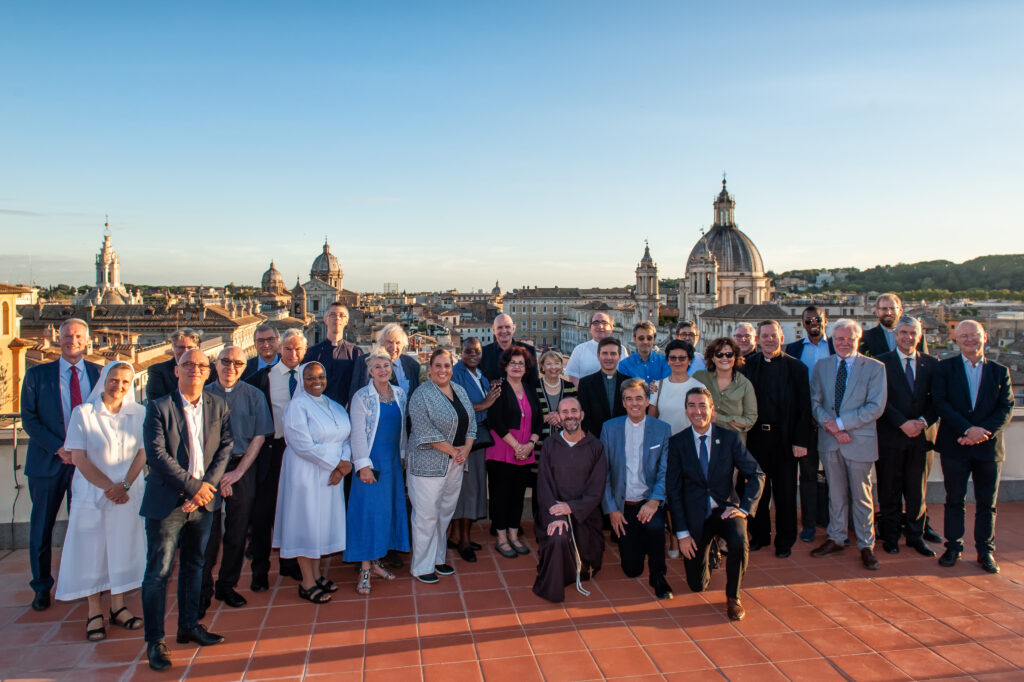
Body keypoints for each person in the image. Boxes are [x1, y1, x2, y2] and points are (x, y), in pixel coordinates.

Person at [140, 349, 232, 671]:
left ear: (208, 373)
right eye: (188, 364)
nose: (195, 369)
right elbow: (156, 455)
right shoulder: (158, 407)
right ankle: (155, 641)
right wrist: (195, 488)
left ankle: (188, 626)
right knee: (158, 573)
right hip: (169, 502)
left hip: (203, 503)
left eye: (201, 365)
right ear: (176, 370)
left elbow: (226, 447)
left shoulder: (217, 405)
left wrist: (206, 488)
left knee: (195, 565)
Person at [55, 361, 145, 641]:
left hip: (128, 493)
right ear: (104, 380)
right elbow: (79, 458)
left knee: (123, 548)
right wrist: (110, 488)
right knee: (91, 551)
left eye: (125, 382)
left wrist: (125, 485)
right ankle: (94, 610)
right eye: (114, 380)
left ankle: (119, 606)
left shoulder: (139, 412)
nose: (119, 386)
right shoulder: (83, 413)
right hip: (93, 495)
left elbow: (143, 453)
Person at [20, 318, 101, 611]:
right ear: (59, 338)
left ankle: (87, 583)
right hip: (47, 463)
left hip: (86, 465)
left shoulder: (99, 373)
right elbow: (29, 419)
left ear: (87, 340)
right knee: (42, 526)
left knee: (88, 525)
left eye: (78, 336)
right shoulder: (37, 375)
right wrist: (60, 448)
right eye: (67, 336)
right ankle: (41, 587)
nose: (73, 341)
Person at [666, 387, 764, 621]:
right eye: (692, 406)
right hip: (695, 516)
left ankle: (733, 596)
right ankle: (710, 554)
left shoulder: (729, 439)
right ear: (686, 410)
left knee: (739, 540)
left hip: (725, 510)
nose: (697, 411)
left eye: (702, 406)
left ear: (712, 409)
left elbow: (756, 473)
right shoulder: (677, 443)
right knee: (697, 585)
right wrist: (681, 533)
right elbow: (674, 490)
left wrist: (743, 509)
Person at [933, 320, 1013, 574]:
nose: (970, 340)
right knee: (954, 499)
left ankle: (984, 551)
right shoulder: (945, 368)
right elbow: (940, 403)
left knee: (986, 503)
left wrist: (981, 434)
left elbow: (1006, 408)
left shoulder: (1000, 372)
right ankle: (953, 548)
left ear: (985, 337)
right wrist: (968, 430)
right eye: (964, 335)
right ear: (955, 339)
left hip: (988, 449)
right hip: (956, 445)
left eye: (974, 335)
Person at [199, 346, 274, 614]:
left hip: (242, 469)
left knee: (238, 531)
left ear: (244, 366)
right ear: (215, 365)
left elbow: (259, 437)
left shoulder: (254, 395)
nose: (231, 367)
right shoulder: (202, 395)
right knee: (207, 535)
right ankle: (202, 590)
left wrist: (238, 472)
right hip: (208, 474)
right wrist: (216, 475)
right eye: (226, 362)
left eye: (238, 363)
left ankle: (226, 585)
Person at [809, 320, 887, 571]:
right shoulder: (823, 366)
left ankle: (866, 545)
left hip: (858, 440)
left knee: (862, 495)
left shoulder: (875, 368)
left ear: (858, 339)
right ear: (832, 340)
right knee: (836, 493)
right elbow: (815, 400)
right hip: (830, 440)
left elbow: (876, 406)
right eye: (839, 338)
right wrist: (830, 426)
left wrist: (841, 424)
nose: (844, 343)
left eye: (849, 338)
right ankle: (836, 537)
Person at [273, 362, 352, 603]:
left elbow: (346, 437)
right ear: (301, 379)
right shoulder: (296, 407)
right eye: (309, 377)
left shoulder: (334, 405)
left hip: (330, 474)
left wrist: (345, 464)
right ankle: (306, 583)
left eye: (320, 376)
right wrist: (338, 464)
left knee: (320, 525)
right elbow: (302, 445)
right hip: (306, 475)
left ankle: (317, 575)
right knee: (305, 525)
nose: (316, 381)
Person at [739, 321, 811, 557]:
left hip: (786, 439)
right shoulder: (747, 366)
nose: (769, 340)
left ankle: (785, 540)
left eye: (773, 335)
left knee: (786, 492)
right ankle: (760, 535)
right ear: (757, 339)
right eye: (764, 336)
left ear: (782, 337)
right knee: (758, 491)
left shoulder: (797, 368)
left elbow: (804, 408)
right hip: (756, 438)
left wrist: (801, 441)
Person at [407, 349, 477, 584]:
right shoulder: (421, 395)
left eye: (447, 365)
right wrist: (454, 451)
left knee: (444, 513)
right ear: (429, 369)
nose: (442, 370)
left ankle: (438, 559)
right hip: (428, 465)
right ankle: (421, 566)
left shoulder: (459, 390)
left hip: (456, 463)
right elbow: (425, 430)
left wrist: (466, 449)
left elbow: (471, 423)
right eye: (438, 365)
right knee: (426, 516)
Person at [601, 379, 674, 599]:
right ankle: (637, 541)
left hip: (649, 500)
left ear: (648, 400)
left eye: (639, 398)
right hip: (623, 504)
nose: (635, 403)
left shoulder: (662, 429)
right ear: (623, 402)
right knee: (631, 569)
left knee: (655, 529)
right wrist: (612, 509)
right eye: (629, 399)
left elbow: (665, 470)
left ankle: (658, 575)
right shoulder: (609, 428)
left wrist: (655, 501)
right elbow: (602, 473)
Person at [245, 328, 307, 589]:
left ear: (304, 351)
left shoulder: (312, 376)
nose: (293, 353)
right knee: (263, 513)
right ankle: (260, 570)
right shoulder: (262, 379)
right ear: (280, 349)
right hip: (272, 451)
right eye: (288, 348)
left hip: (303, 453)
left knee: (294, 510)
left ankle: (289, 564)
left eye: (298, 349)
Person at [345, 350, 410, 594]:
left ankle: (375, 563)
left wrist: (402, 457)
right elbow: (358, 434)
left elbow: (402, 429)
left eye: (386, 366)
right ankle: (364, 569)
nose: (383, 370)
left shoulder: (400, 394)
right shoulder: (362, 397)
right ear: (370, 372)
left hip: (392, 463)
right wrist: (363, 466)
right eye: (378, 367)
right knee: (368, 515)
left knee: (386, 513)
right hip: (371, 465)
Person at [875, 316, 939, 557]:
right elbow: (880, 400)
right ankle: (891, 537)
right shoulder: (880, 363)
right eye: (903, 332)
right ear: (896, 335)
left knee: (916, 492)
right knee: (889, 490)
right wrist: (901, 423)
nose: (908, 337)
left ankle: (915, 536)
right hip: (891, 437)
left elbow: (939, 400)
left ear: (919, 336)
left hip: (921, 438)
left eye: (912, 333)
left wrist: (921, 422)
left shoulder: (932, 365)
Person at [533, 397, 607, 603]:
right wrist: (556, 513)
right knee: (557, 536)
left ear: (582, 415)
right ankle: (552, 588)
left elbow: (596, 488)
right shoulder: (550, 444)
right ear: (559, 417)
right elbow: (544, 484)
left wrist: (572, 507)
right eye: (564, 412)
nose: (570, 416)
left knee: (587, 560)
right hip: (554, 511)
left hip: (585, 515)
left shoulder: (596, 447)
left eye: (574, 411)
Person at [486, 346, 544, 559]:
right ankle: (501, 537)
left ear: (526, 366)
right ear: (505, 366)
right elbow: (495, 421)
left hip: (525, 451)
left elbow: (538, 421)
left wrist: (529, 444)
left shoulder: (530, 389)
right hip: (502, 450)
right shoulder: (498, 387)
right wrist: (516, 446)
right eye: (513, 363)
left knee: (517, 496)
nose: (517, 367)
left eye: (521, 363)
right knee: (501, 496)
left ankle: (513, 533)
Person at [784, 305, 834, 543]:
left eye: (817, 319)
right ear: (802, 324)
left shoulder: (837, 346)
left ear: (825, 320)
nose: (813, 323)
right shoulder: (792, 350)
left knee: (837, 475)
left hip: (835, 422)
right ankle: (810, 523)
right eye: (808, 321)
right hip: (805, 422)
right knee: (807, 475)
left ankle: (836, 521)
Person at [450, 337, 501, 562]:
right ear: (461, 352)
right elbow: (455, 405)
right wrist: (484, 405)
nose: (473, 355)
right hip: (465, 439)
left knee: (472, 489)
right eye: (468, 351)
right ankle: (463, 541)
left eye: (477, 351)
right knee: (467, 492)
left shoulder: (478, 374)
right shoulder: (457, 373)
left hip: (478, 439)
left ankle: (457, 536)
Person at [692, 337, 757, 445]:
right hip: (704, 444)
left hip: (733, 445)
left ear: (735, 357)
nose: (724, 358)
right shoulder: (699, 378)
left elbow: (750, 420)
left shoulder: (745, 384)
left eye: (729, 354)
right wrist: (655, 386)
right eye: (719, 354)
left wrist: (718, 418)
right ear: (712, 358)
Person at [303, 302, 364, 407]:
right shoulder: (312, 353)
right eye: (333, 314)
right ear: (325, 319)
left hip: (345, 414)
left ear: (346, 321)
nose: (337, 318)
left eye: (341, 315)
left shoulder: (355, 353)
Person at [350, 322, 421, 399]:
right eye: (389, 342)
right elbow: (354, 394)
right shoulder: (364, 362)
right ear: (381, 342)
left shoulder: (412, 365)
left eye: (398, 343)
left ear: (403, 345)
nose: (394, 347)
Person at [576, 337, 630, 438]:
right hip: (595, 441)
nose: (609, 357)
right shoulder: (585, 383)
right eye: (604, 353)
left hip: (624, 439)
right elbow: (583, 416)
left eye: (613, 354)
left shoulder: (629, 383)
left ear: (619, 356)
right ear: (598, 356)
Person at [648, 340, 705, 435]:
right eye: (673, 358)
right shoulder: (658, 386)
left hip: (688, 443)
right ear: (668, 360)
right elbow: (651, 419)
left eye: (682, 358)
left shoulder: (699, 387)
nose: (677, 361)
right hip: (664, 442)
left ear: (689, 360)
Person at [147, 328, 212, 401]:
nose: (185, 351)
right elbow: (156, 401)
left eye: (190, 347)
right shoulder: (158, 371)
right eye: (181, 347)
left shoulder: (211, 369)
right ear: (173, 348)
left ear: (198, 348)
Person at [565, 311, 629, 385]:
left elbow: (626, 376)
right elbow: (572, 376)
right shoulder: (579, 350)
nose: (600, 326)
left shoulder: (621, 349)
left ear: (611, 328)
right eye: (596, 323)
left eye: (604, 323)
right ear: (590, 328)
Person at [860, 293, 928, 358]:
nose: (888, 313)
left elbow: (924, 362)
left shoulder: (917, 336)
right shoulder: (866, 337)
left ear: (900, 311)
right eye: (884, 309)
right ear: (877, 312)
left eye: (892, 308)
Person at [481, 313, 539, 384]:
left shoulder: (529, 351)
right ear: (493, 330)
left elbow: (534, 382)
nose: (504, 331)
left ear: (513, 328)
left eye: (507, 327)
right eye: (500, 327)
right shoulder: (483, 353)